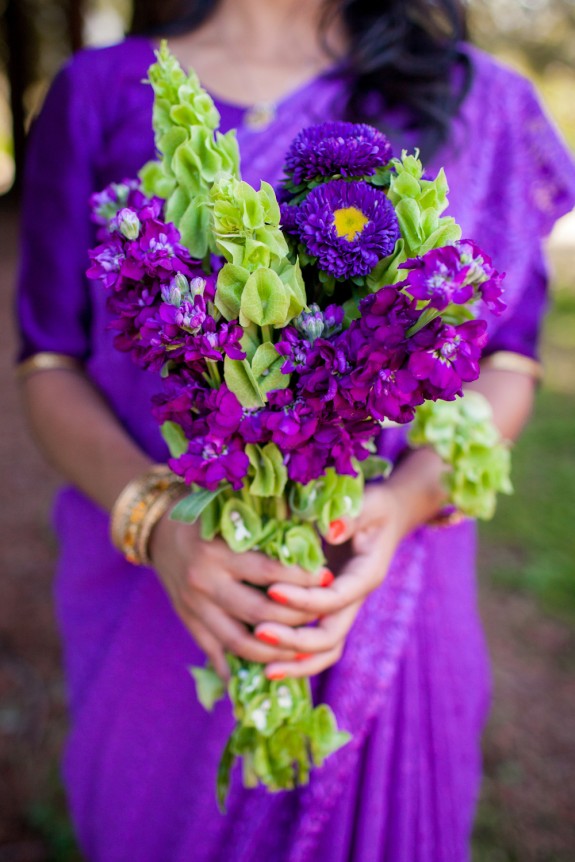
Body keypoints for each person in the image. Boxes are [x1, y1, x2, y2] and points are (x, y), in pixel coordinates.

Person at [15, 1, 575, 860]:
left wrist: (407, 501)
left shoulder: (472, 96)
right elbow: (49, 363)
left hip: (390, 592)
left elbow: (507, 360)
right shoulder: (100, 93)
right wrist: (158, 523)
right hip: (169, 610)